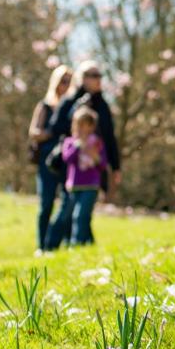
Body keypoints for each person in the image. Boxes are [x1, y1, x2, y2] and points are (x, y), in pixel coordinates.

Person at [44, 60, 121, 250]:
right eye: (93, 75)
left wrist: (116, 166)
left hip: (93, 167)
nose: (98, 80)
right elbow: (56, 128)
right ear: (83, 78)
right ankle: (49, 247)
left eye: (99, 76)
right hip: (70, 168)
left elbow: (110, 137)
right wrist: (77, 109)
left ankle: (80, 246)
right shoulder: (70, 101)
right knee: (66, 210)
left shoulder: (102, 105)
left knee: (83, 212)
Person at [28, 64, 72, 253]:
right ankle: (42, 245)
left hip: (67, 158)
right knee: (46, 202)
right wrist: (50, 133)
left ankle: (60, 240)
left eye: (69, 82)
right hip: (47, 159)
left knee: (68, 200)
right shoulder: (45, 105)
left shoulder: (72, 107)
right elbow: (33, 132)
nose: (66, 85)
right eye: (63, 81)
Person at [60, 106, 108, 246]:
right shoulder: (70, 142)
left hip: (91, 185)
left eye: (84, 125)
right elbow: (67, 159)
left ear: (91, 126)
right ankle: (90, 243)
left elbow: (103, 165)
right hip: (74, 185)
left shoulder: (97, 143)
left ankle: (77, 244)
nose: (81, 128)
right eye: (78, 124)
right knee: (78, 217)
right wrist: (77, 146)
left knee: (80, 215)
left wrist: (95, 156)